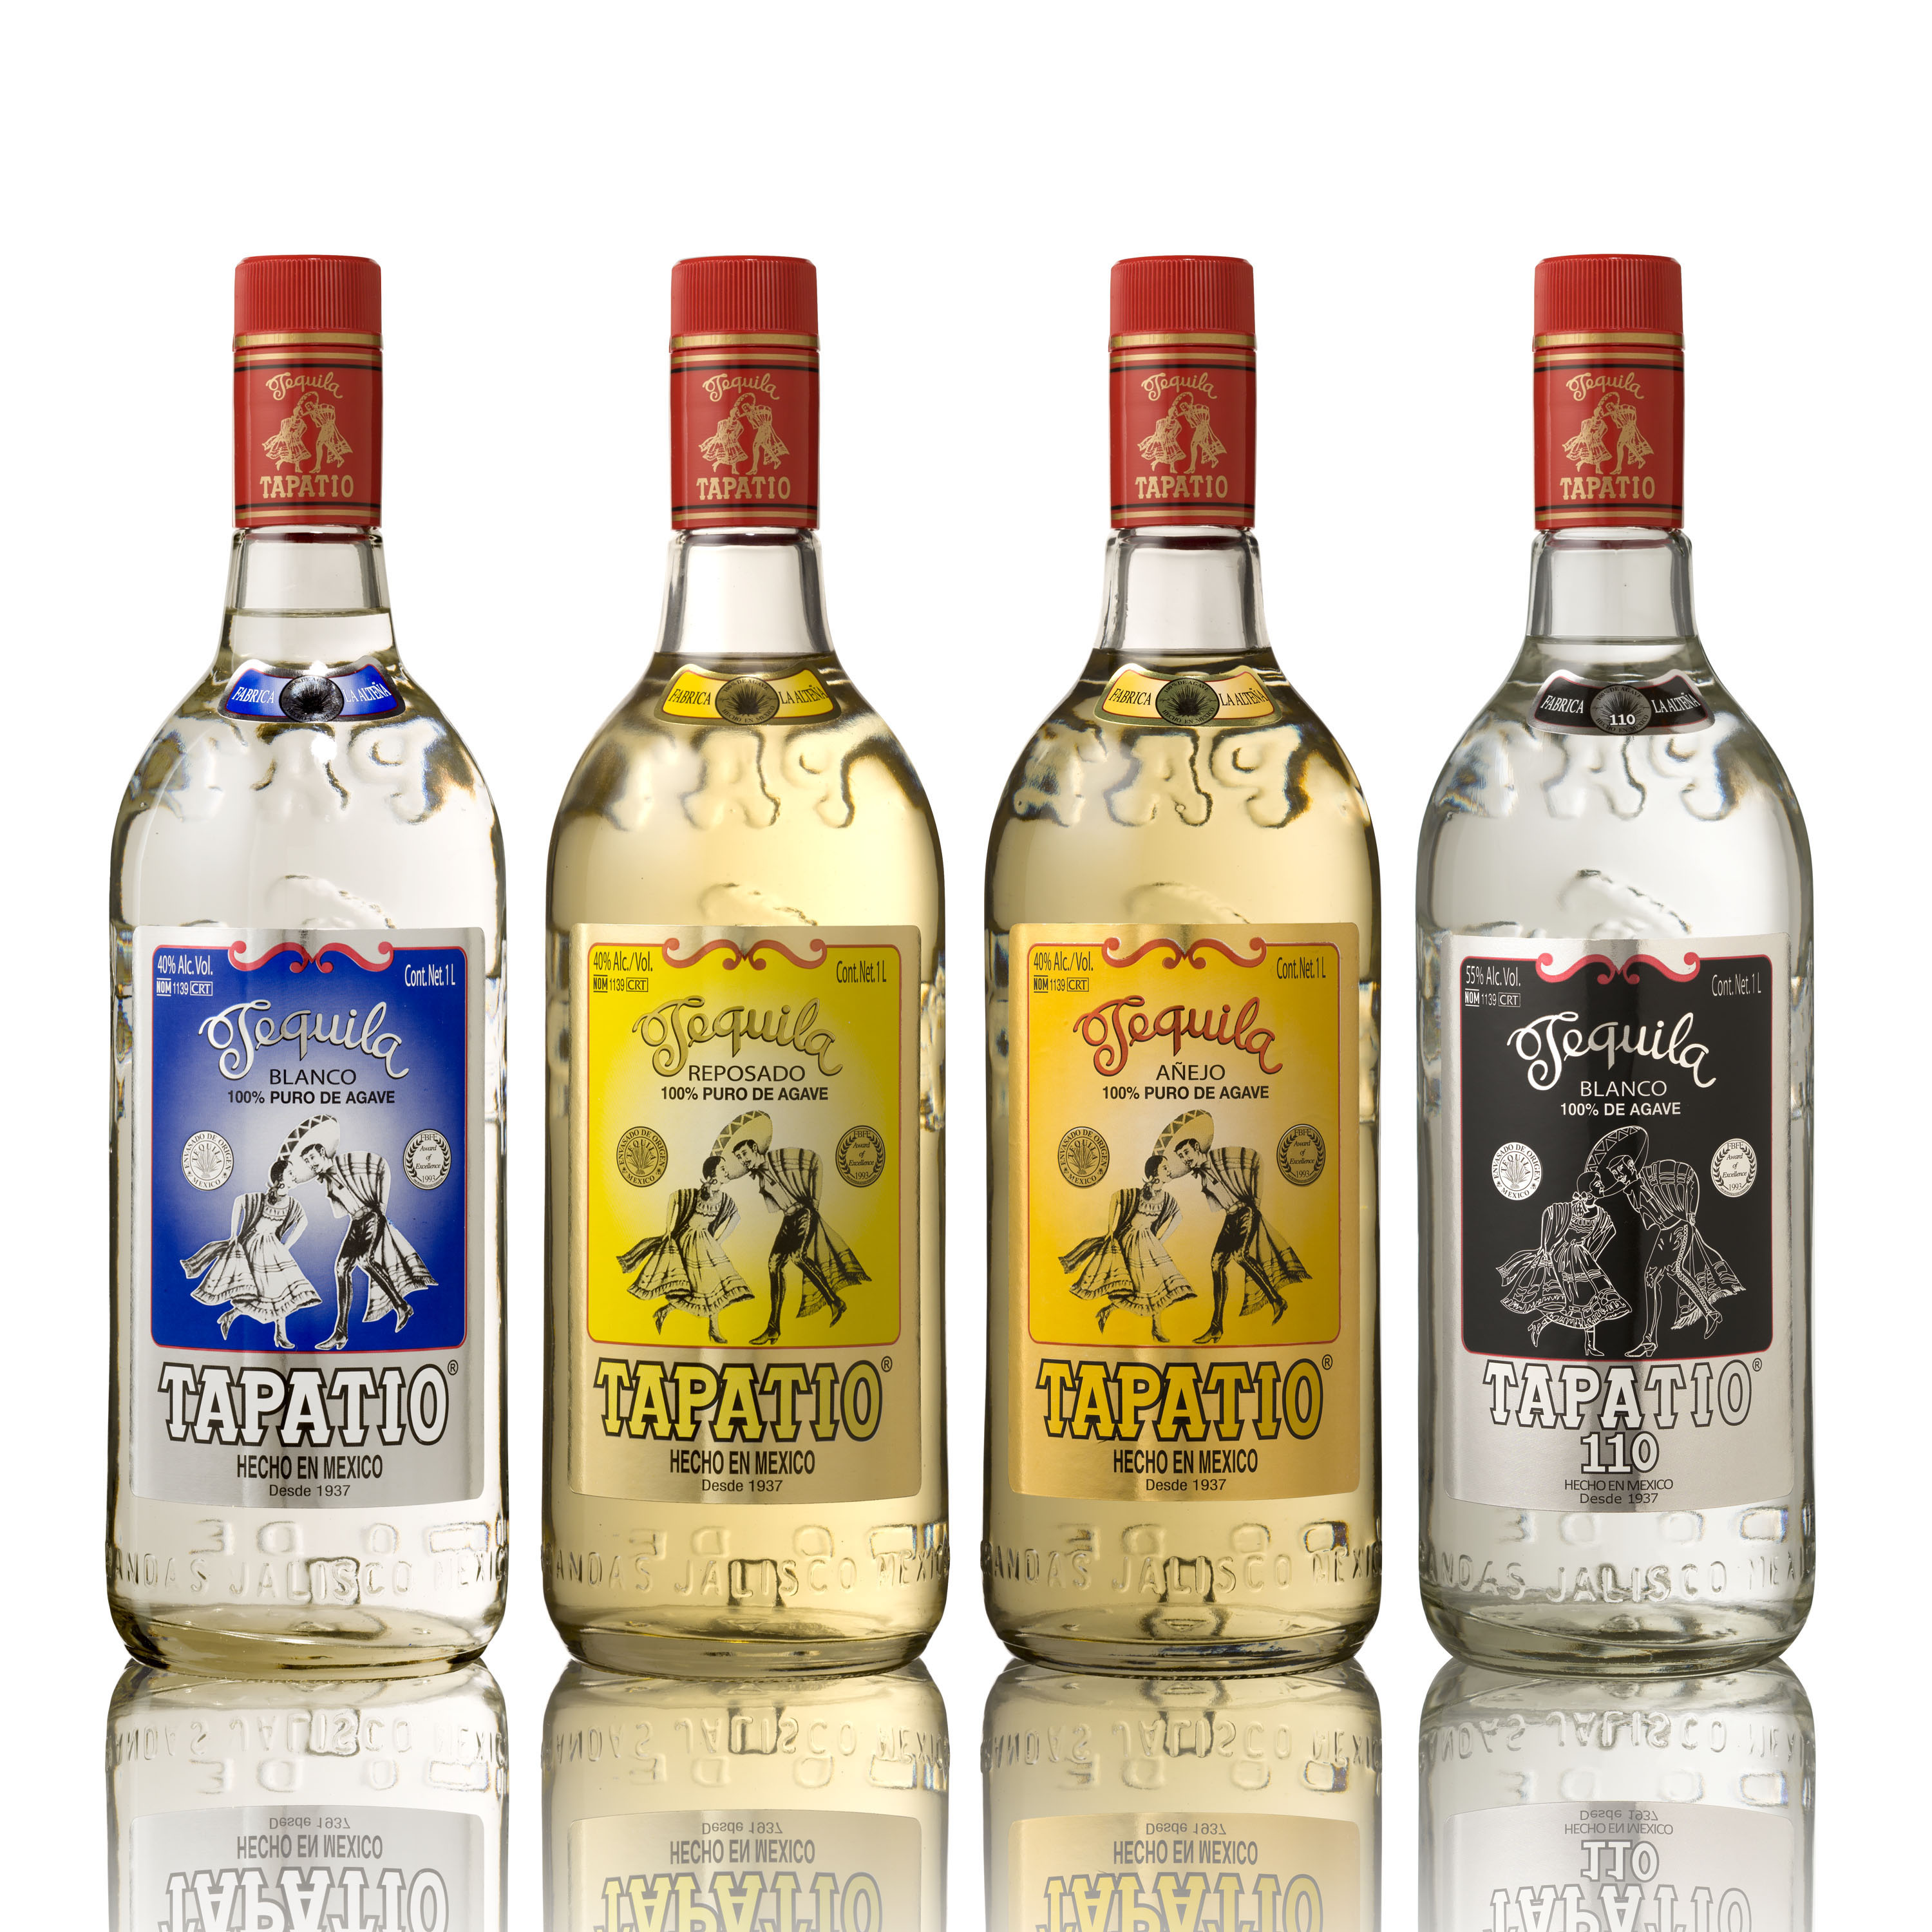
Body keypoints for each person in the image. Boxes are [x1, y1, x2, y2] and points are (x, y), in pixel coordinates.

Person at [279, 1115, 435, 1350]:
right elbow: (339, 1212)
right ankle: (341, 1333)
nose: (311, 1164)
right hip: (356, 1224)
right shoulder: (326, 1180)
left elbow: (382, 1166)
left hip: (372, 1216)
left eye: (312, 1158)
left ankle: (402, 1307)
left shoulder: (348, 1162)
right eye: (307, 1161)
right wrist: (326, 1185)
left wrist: (382, 1207)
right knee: (341, 1268)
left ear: (322, 1152)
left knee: (365, 1260)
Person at [714, 1110, 868, 1345]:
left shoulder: (779, 1158)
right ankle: (774, 1328)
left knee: (797, 1257)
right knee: (774, 1264)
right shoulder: (759, 1175)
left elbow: (815, 1161)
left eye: (744, 1154)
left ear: (755, 1148)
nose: (743, 1160)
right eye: (739, 1157)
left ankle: (835, 1303)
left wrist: (814, 1203)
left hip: (804, 1213)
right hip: (789, 1220)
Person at [1155, 1110, 1310, 1343]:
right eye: (1181, 1156)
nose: (1185, 1159)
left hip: (1246, 1212)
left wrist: (1256, 1201)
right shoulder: (1200, 1173)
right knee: (1216, 1264)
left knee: (1240, 1255)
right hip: (1231, 1219)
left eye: (1186, 1153)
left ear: (1197, 1147)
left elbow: (1256, 1160)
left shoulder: (1222, 1157)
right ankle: (1217, 1326)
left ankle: (1277, 1301)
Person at [180, 1147, 321, 1350]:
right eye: (290, 1173)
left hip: (274, 1249)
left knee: (280, 1292)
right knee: (265, 1292)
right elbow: (239, 1202)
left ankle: (268, 1330)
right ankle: (274, 1332)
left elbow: (303, 1222)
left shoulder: (292, 1204)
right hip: (254, 1247)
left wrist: (286, 1246)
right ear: (280, 1179)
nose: (294, 1176)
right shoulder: (262, 1198)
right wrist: (233, 1234)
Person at [1060, 1155, 1196, 1341]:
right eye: (1164, 1168)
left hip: (1150, 1243)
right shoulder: (1137, 1194)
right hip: (1131, 1241)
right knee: (1142, 1286)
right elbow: (1116, 1198)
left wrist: (1161, 1240)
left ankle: (1130, 1318)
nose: (1169, 1170)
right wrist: (1110, 1229)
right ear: (1154, 1174)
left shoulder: (1167, 1199)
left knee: (1157, 1285)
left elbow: (1178, 1217)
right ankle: (1152, 1327)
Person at [618, 1154, 752, 1344]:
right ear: (712, 1176)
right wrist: (668, 1229)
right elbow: (674, 1198)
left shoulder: (725, 1199)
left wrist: (719, 1240)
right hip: (688, 1241)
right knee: (704, 1286)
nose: (727, 1171)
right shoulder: (695, 1194)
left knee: (711, 1287)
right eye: (722, 1169)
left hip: (707, 1243)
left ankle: (670, 1313)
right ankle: (712, 1328)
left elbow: (736, 1217)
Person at [1630, 1157, 1744, 1354]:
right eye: (1615, 1174)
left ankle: (1709, 1313)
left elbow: (1689, 1176)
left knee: (1674, 1271)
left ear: (1631, 1167)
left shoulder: (1650, 1178)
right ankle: (1650, 1339)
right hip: (1664, 1233)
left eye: (1620, 1171)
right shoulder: (1633, 1191)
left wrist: (1691, 1215)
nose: (1618, 1176)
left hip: (1679, 1228)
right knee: (1651, 1278)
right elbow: (1648, 1218)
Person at [699, 395, 750, 472]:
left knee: (734, 457)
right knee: (728, 457)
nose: (738, 415)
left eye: (738, 414)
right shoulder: (723, 422)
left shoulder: (739, 425)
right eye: (736, 413)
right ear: (733, 414)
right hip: (724, 442)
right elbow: (718, 434)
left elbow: (739, 433)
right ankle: (717, 464)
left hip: (732, 442)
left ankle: (733, 470)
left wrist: (733, 437)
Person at [1177, 393, 1226, 472]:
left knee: (1193, 445)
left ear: (1187, 406)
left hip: (1202, 427)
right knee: (1201, 443)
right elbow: (1183, 414)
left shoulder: (1195, 409)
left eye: (1184, 407)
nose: (1184, 409)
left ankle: (1192, 467)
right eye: (1183, 408)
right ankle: (1214, 459)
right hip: (1199, 428)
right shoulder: (1187, 413)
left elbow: (1206, 409)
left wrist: (1205, 421)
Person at [1138, 398, 1189, 472]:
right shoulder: (1161, 422)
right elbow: (1157, 433)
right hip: (1163, 440)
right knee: (1166, 456)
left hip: (1170, 441)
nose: (1175, 414)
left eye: (1176, 413)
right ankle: (1157, 463)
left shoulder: (1177, 424)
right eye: (1174, 413)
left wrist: (1172, 436)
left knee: (1172, 456)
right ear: (1170, 413)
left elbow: (1177, 432)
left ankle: (1171, 468)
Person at [743, 397, 788, 473]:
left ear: (749, 406)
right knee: (764, 445)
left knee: (755, 446)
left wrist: (768, 423)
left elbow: (768, 410)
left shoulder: (758, 409)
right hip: (761, 429)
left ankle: (754, 468)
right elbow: (755, 425)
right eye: (745, 409)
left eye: (746, 408)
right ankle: (776, 460)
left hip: (765, 428)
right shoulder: (750, 415)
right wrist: (750, 416)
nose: (746, 410)